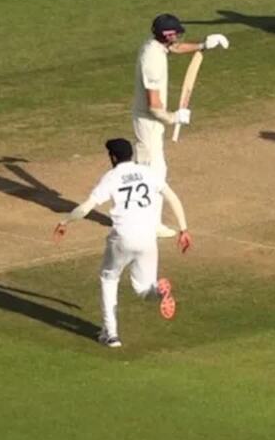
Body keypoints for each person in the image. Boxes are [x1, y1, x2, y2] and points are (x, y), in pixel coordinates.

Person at [52, 138, 192, 348]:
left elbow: (86, 207)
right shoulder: (147, 172)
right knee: (145, 290)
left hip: (123, 237)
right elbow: (173, 198)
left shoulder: (111, 177)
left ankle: (111, 334)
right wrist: (183, 229)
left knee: (109, 278)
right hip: (148, 237)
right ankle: (160, 291)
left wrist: (65, 221)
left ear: (113, 157)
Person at [132, 12, 228, 237]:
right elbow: (154, 106)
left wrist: (203, 45)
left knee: (154, 170)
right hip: (148, 121)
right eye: (175, 34)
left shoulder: (156, 45)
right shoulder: (152, 60)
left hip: (154, 121)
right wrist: (175, 117)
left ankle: (144, 219)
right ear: (166, 35)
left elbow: (175, 48)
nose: (178, 37)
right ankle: (149, 223)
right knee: (153, 172)